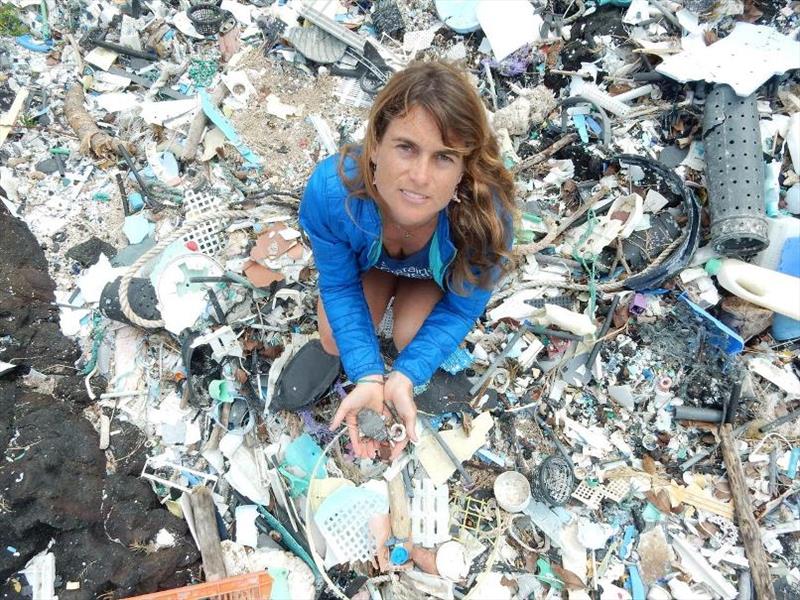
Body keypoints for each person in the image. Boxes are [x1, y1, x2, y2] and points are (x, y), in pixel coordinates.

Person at [299, 61, 516, 458]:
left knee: (411, 338)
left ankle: (397, 318)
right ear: (376, 144)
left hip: (428, 276)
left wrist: (405, 374)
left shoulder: (486, 220)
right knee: (333, 340)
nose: (420, 176)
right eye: (406, 147)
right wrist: (367, 373)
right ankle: (378, 315)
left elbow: (460, 309)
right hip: (372, 265)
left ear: (463, 169)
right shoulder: (332, 193)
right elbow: (339, 282)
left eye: (444, 157)